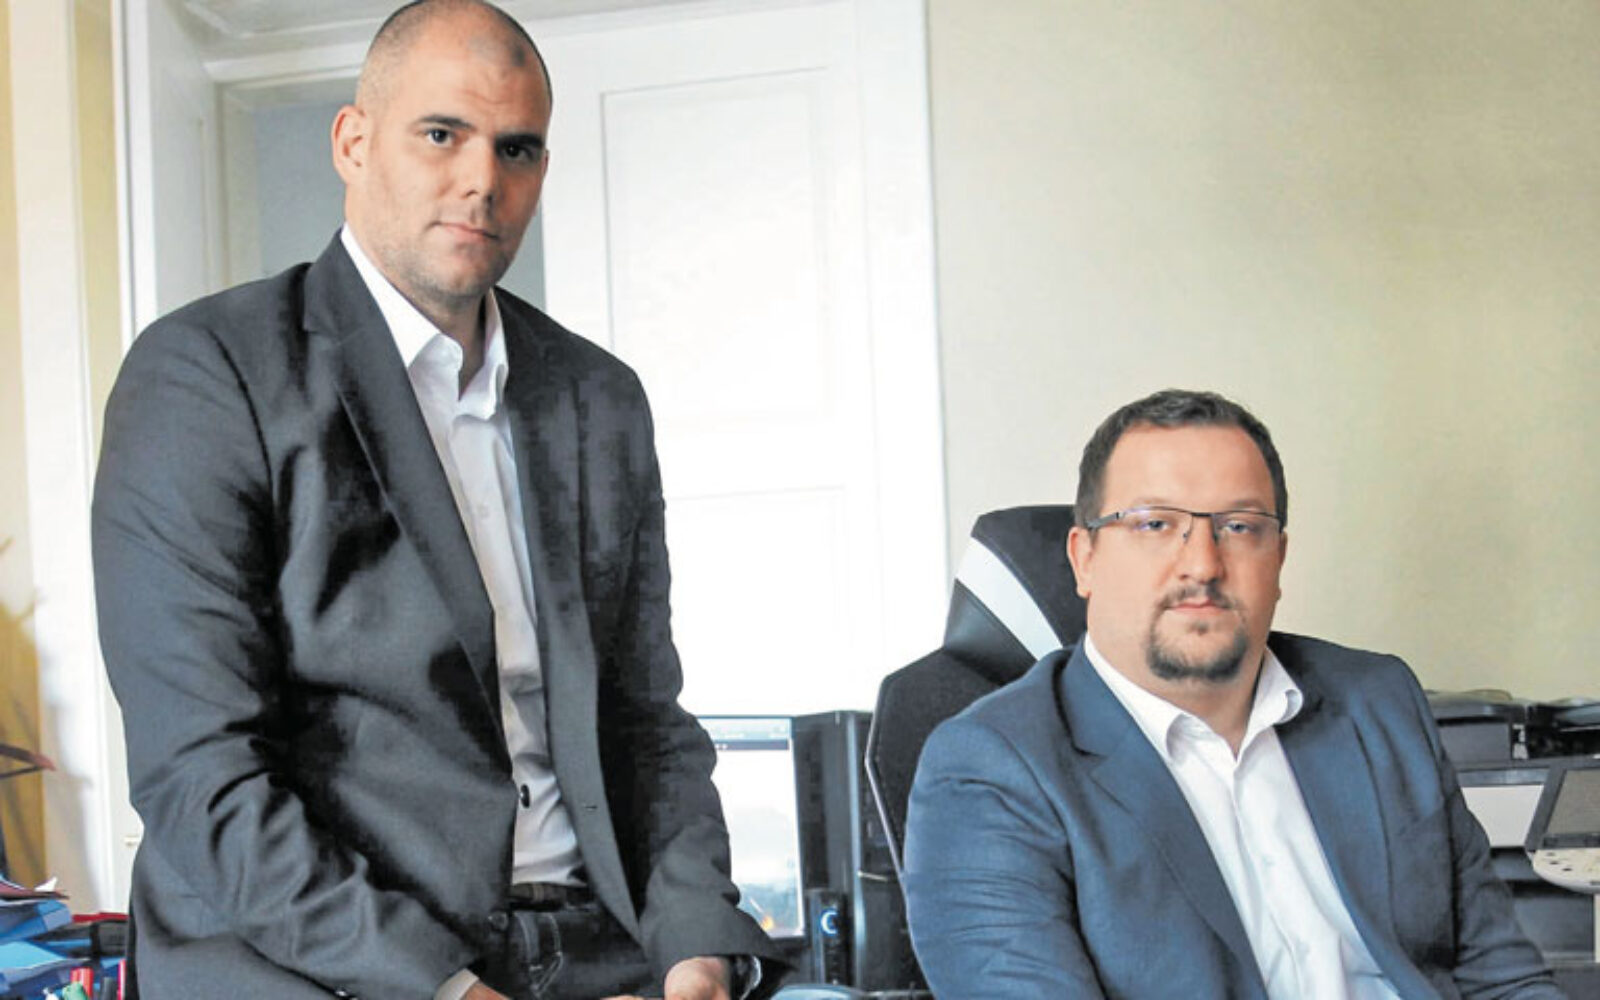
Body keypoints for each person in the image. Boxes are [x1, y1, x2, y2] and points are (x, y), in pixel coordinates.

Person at [90, 2, 781, 997]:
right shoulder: (208, 374)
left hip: (592, 947)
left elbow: (645, 722)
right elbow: (202, 778)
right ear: (353, 142)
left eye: (517, 149)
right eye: (442, 134)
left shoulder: (597, 397)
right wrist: (449, 989)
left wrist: (695, 953)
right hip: (335, 962)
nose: (482, 180)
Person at [901, 389, 1563, 999]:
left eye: (1240, 526)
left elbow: (1503, 981)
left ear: (1279, 557)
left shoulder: (1377, 702)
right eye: (1155, 524)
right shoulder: (989, 772)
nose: (1203, 564)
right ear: (1085, 559)